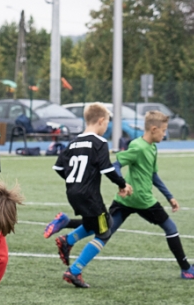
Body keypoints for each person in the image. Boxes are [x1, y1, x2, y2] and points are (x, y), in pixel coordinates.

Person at [48, 109, 194, 286]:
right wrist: (122, 184)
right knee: (170, 228)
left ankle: (68, 236)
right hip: (142, 200)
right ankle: (186, 269)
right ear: (154, 129)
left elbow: (153, 175)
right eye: (164, 130)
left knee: (104, 228)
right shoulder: (137, 146)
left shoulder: (152, 148)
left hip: (124, 201)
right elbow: (116, 164)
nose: (165, 134)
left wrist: (169, 196)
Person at [45, 102, 132, 287]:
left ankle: (67, 240)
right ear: (101, 121)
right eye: (107, 123)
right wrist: (122, 184)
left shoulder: (73, 142)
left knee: (96, 223)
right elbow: (107, 169)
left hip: (73, 193)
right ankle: (74, 270)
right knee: (105, 231)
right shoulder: (99, 143)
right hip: (90, 195)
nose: (106, 127)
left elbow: (59, 167)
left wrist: (75, 181)